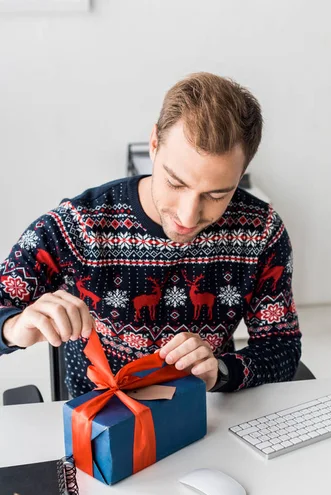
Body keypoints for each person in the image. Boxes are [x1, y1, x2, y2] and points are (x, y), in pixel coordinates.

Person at [0, 72, 301, 396]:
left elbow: (281, 349)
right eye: (176, 183)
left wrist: (221, 370)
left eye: (216, 195)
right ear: (154, 145)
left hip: (201, 413)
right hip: (98, 412)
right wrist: (12, 327)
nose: (188, 215)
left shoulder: (262, 233)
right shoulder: (77, 226)